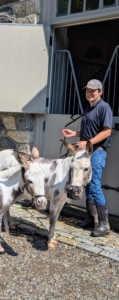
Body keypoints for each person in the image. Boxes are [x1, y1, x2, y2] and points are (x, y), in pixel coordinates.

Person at [62, 79, 113, 237]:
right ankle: (90, 219)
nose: (89, 93)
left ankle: (105, 224)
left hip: (96, 152)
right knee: (88, 186)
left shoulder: (104, 108)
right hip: (86, 152)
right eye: (87, 90)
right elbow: (90, 131)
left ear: (100, 92)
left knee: (95, 186)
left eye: (93, 90)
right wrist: (75, 134)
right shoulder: (89, 108)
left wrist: (88, 142)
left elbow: (107, 131)